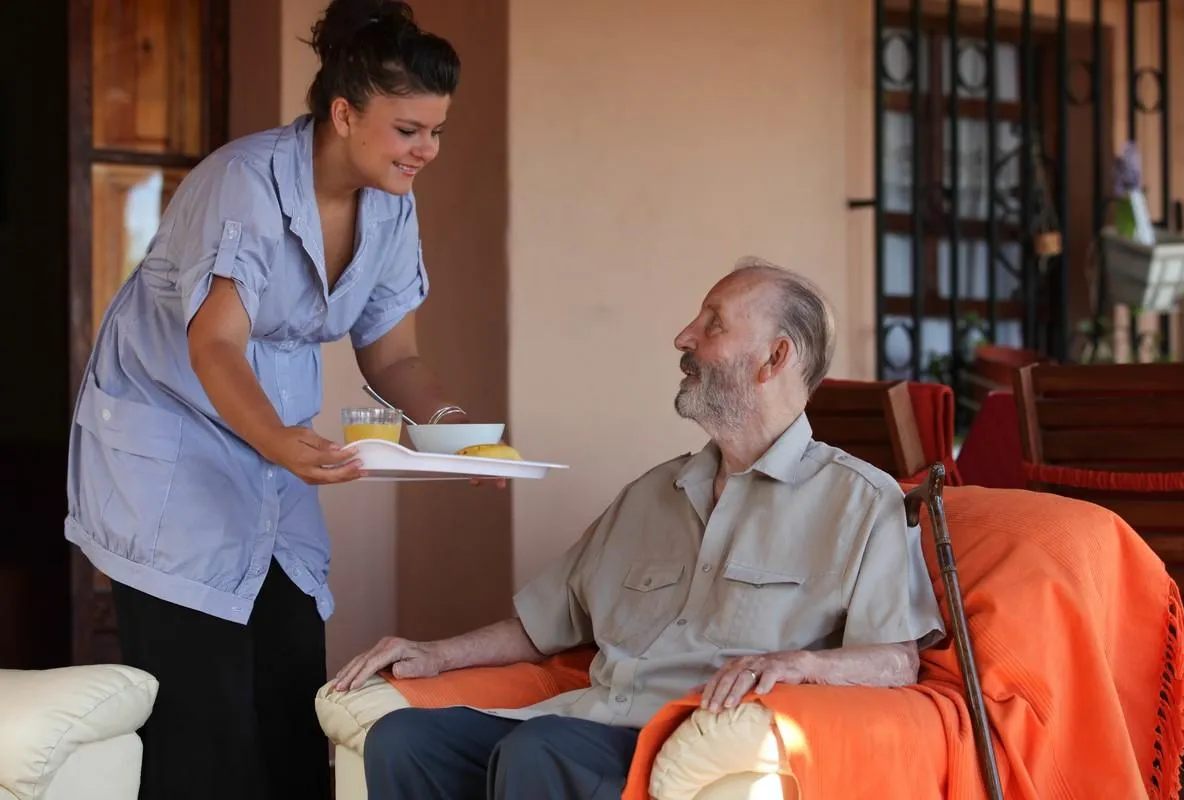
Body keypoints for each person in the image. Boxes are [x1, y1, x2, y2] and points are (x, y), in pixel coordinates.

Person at [335, 257, 947, 799]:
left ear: (775, 358)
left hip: (679, 744)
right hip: (582, 724)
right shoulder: (652, 494)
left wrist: (796, 665)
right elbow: (545, 623)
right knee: (404, 738)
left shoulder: (860, 503)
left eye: (712, 324)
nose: (683, 337)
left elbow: (895, 660)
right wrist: (434, 654)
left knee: (540, 753)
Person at [63, 2, 473, 798]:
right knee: (201, 729)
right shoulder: (244, 183)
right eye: (407, 131)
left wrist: (462, 437)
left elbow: (393, 353)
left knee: (290, 701)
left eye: (436, 132)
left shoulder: (391, 204)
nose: (425, 150)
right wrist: (280, 443)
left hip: (270, 450)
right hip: (175, 455)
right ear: (345, 113)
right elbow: (213, 343)